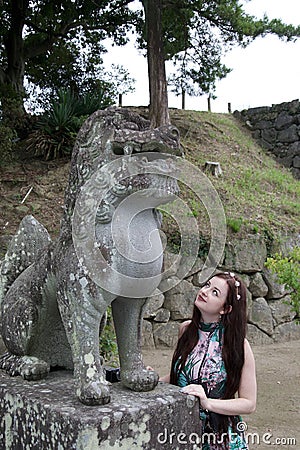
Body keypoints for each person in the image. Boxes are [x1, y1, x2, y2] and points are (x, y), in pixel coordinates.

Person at [149, 271, 256, 450]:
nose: (205, 291)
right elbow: (181, 376)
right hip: (181, 427)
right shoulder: (186, 330)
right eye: (207, 285)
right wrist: (153, 381)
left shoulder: (238, 345)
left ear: (226, 309)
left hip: (219, 435)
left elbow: (249, 403)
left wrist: (208, 403)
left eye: (215, 292)